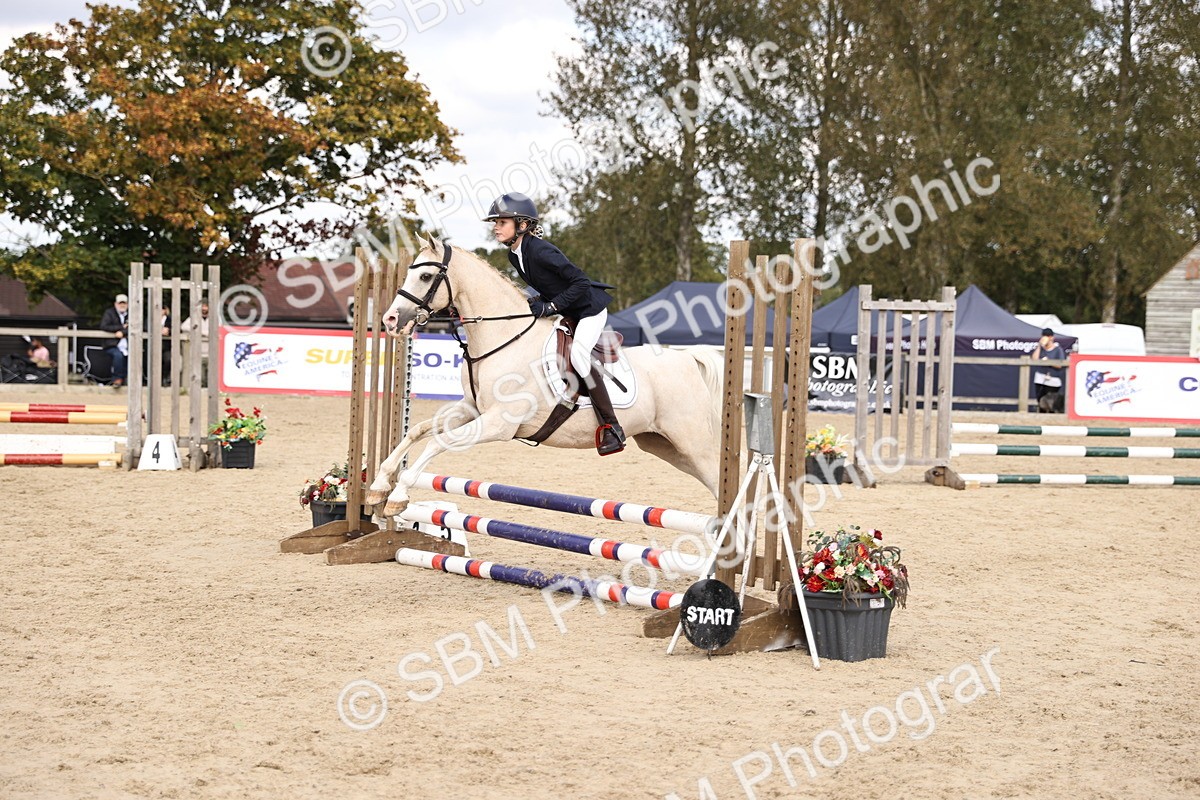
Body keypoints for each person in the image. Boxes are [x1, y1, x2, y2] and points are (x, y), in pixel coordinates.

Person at [484, 192, 625, 455]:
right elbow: (550, 285)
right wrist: (539, 299)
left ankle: (612, 427)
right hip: (568, 311)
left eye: (502, 222)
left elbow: (580, 282)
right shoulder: (515, 255)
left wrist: (549, 307)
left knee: (580, 358)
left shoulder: (541, 250)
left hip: (588, 311)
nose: (496, 227)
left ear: (522, 225)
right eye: (496, 222)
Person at [99, 293, 130, 387]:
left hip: (128, 345)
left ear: (127, 304)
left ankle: (133, 381)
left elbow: (136, 326)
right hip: (112, 344)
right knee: (118, 355)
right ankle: (117, 379)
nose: (122, 305)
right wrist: (121, 327)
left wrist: (122, 332)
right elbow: (104, 326)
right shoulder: (109, 313)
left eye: (124, 303)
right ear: (115, 304)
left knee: (136, 355)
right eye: (120, 303)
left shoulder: (132, 314)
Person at [1032, 328, 1065, 412]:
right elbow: (1034, 359)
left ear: (1052, 338)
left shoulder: (1058, 350)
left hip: (1053, 379)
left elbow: (1060, 364)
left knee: (1051, 401)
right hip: (1040, 377)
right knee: (1040, 399)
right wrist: (1039, 346)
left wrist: (1049, 361)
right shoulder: (1041, 349)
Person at [182, 302, 211, 386]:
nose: (204, 309)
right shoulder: (193, 318)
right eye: (203, 307)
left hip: (211, 351)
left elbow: (219, 328)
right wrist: (199, 331)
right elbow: (183, 326)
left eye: (206, 307)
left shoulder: (215, 318)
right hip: (197, 351)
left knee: (211, 374)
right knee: (199, 374)